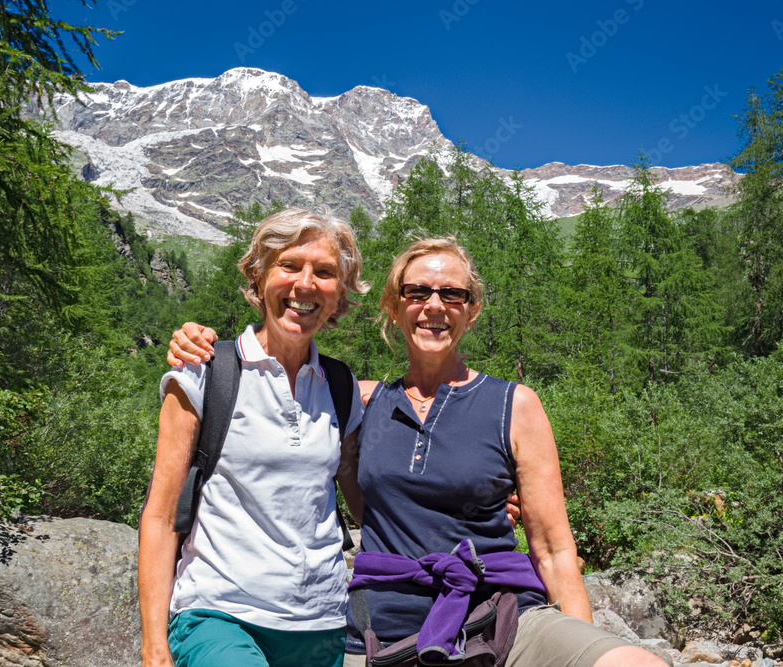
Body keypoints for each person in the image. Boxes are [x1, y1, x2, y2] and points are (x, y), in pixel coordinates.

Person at [169, 238, 666, 667]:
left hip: (500, 617)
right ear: (394, 306)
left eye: (453, 293)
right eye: (417, 292)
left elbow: (555, 550)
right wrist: (199, 341)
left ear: (471, 310)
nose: (435, 304)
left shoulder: (515, 406)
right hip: (381, 633)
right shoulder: (355, 401)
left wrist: (579, 641)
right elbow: (278, 392)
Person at [139, 208, 369, 667]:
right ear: (258, 275)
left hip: (320, 625)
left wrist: (482, 500)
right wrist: (153, 647)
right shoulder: (205, 373)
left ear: (339, 293)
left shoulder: (341, 387)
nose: (305, 284)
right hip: (218, 616)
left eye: (324, 272)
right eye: (289, 265)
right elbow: (161, 515)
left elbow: (367, 500)